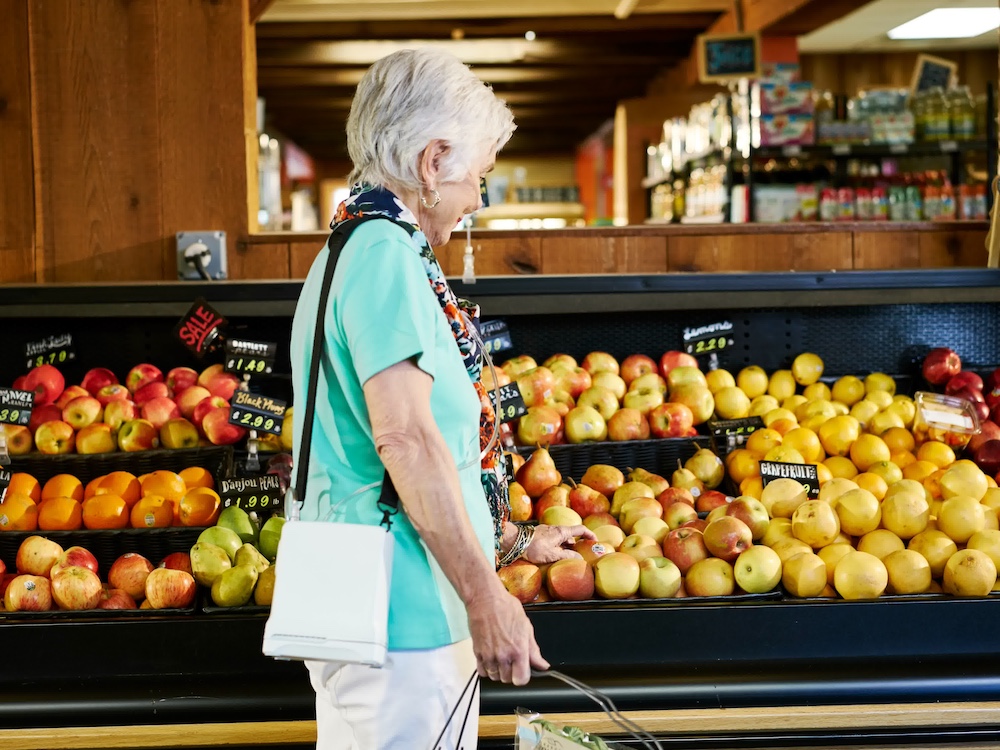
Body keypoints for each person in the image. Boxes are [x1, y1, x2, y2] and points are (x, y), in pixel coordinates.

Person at [289, 48, 595, 750]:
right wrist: (486, 598)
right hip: (402, 616)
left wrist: (513, 540)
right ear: (433, 164)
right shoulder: (385, 258)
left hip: (378, 602)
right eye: (478, 177)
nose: (475, 201)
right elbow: (406, 441)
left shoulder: (353, 248)